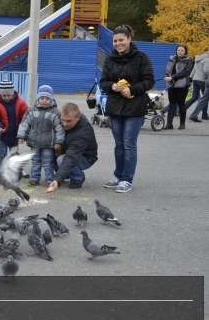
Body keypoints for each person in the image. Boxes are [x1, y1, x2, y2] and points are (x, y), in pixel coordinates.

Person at [99, 24, 154, 193]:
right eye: (115, 41)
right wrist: (113, 86)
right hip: (115, 106)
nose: (118, 43)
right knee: (119, 144)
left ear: (129, 39)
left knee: (129, 144)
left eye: (121, 40)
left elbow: (149, 81)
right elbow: (103, 82)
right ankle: (118, 175)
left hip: (135, 106)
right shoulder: (109, 59)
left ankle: (127, 179)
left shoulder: (141, 58)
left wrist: (133, 89)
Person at [17, 85, 64, 187]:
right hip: (34, 143)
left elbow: (59, 128)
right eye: (42, 98)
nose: (44, 100)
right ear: (38, 98)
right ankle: (34, 178)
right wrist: (21, 135)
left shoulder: (55, 112)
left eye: (47, 98)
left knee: (48, 162)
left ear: (51, 99)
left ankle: (50, 179)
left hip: (49, 144)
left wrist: (59, 142)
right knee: (35, 161)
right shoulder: (31, 110)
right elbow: (25, 124)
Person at [46, 103, 99, 193]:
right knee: (49, 152)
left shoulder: (83, 132)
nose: (65, 124)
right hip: (68, 150)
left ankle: (78, 178)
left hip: (85, 157)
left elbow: (71, 157)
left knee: (62, 159)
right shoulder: (59, 119)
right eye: (63, 120)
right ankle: (65, 174)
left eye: (69, 121)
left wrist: (57, 179)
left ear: (77, 118)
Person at [0, 79, 28, 168]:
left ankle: (17, 169)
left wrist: (24, 131)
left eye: (9, 95)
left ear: (13, 93)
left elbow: (26, 116)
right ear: (0, 94)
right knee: (2, 152)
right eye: (4, 95)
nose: (6, 97)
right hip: (2, 134)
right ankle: (0, 168)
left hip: (15, 134)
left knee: (15, 153)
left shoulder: (21, 103)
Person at [164, 45, 193, 129]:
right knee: (172, 104)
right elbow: (167, 70)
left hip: (182, 85)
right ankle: (169, 124)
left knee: (181, 104)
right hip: (171, 84)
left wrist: (172, 77)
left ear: (185, 52)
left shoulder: (188, 61)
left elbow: (186, 72)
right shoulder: (172, 59)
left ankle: (182, 124)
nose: (180, 51)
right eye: (178, 50)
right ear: (176, 51)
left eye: (182, 50)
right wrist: (166, 76)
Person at [188, 48, 209, 122]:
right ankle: (203, 115)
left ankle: (182, 109)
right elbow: (206, 70)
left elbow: (194, 69)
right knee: (204, 98)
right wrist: (206, 78)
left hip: (195, 79)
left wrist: (190, 78)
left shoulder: (198, 58)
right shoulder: (207, 59)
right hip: (202, 80)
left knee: (195, 97)